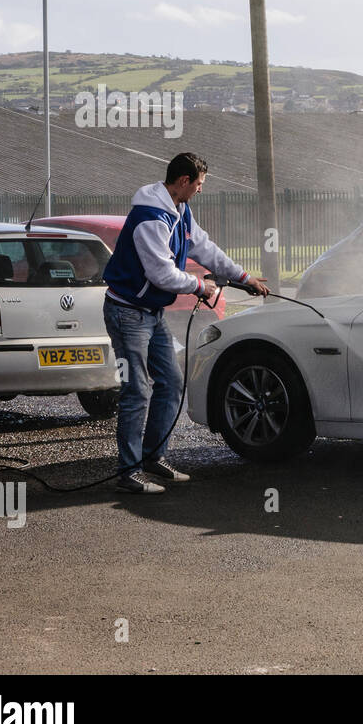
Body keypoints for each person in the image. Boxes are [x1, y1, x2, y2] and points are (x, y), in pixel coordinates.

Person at [102, 153, 269, 493]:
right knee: (137, 390)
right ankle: (128, 473)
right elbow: (160, 272)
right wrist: (199, 285)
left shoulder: (180, 211)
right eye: (199, 184)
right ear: (183, 181)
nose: (200, 191)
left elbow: (205, 249)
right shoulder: (151, 218)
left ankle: (153, 458)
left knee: (172, 383)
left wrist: (243, 277)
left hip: (151, 312)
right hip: (127, 312)